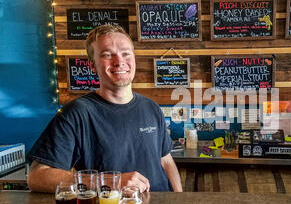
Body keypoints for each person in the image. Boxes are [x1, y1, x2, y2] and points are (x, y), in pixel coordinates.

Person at [26, 25, 182, 193]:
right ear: (92, 65)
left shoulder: (151, 107)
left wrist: (180, 199)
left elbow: (165, 160)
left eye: (125, 53)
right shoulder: (77, 114)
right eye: (107, 54)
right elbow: (37, 177)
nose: (119, 61)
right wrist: (108, 181)